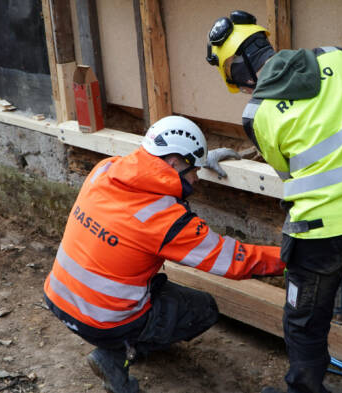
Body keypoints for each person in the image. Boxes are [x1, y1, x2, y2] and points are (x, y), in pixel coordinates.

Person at [206, 11, 342, 393]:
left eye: (235, 79)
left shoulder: (256, 114)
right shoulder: (339, 59)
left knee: (304, 326)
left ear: (239, 70)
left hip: (318, 236)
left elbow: (290, 174)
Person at [43, 115, 285, 393]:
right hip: (100, 321)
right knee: (203, 309)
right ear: (172, 163)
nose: (196, 178)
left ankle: (117, 344)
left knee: (152, 284)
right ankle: (116, 354)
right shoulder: (164, 220)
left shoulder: (105, 169)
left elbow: (151, 178)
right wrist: (290, 259)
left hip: (59, 297)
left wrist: (198, 160)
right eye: (193, 169)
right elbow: (233, 260)